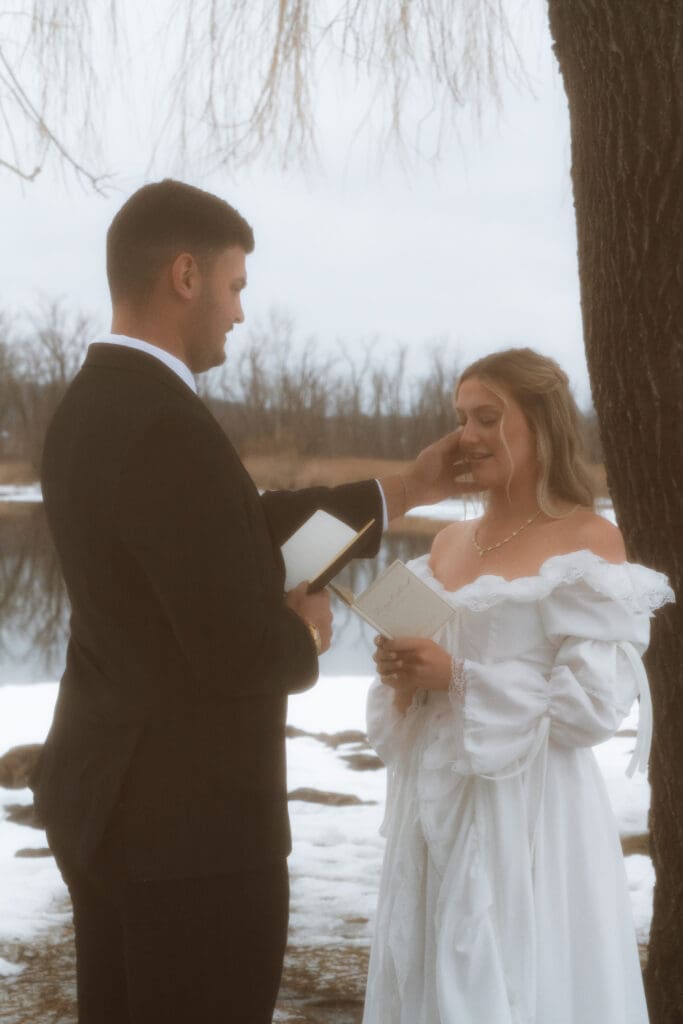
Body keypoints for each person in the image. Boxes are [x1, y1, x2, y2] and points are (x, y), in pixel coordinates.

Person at [33, 179, 474, 1024]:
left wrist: (404, 488)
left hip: (110, 802)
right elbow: (233, 644)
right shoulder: (163, 422)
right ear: (186, 276)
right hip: (187, 834)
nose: (239, 312)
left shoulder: (92, 404)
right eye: (235, 287)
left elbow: (242, 534)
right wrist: (305, 637)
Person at [365, 348, 674, 1024]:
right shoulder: (447, 542)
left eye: (487, 417)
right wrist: (401, 676)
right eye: (460, 418)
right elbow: (425, 683)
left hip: (529, 810)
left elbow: (590, 709)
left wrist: (457, 677)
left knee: (511, 978)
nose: (466, 436)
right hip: (434, 802)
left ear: (538, 423)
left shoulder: (587, 539)